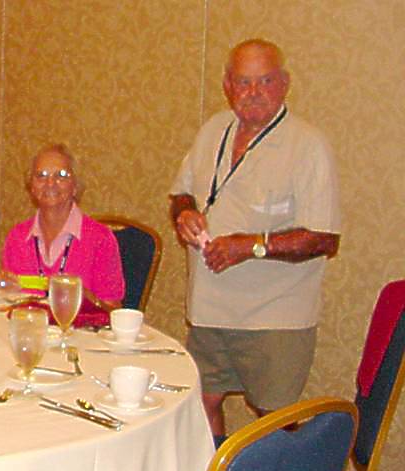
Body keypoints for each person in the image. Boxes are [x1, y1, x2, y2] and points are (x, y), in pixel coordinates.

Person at [168, 39, 340, 444]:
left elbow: (324, 238)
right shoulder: (213, 130)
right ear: (228, 85)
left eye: (265, 81)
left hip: (274, 317)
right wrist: (185, 214)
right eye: (244, 82)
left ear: (285, 83)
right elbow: (181, 193)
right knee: (201, 404)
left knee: (273, 423)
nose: (254, 92)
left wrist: (252, 246)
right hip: (210, 308)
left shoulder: (307, 145)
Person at [1, 144, 124, 326]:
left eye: (61, 175)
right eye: (41, 175)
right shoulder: (17, 237)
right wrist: (4, 288)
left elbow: (114, 313)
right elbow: (8, 305)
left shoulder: (100, 239)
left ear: (75, 186)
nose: (50, 183)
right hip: (30, 333)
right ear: (32, 187)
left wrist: (85, 298)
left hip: (82, 338)